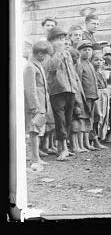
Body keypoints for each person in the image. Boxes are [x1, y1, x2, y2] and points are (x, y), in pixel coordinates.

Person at [45, 27, 77, 161]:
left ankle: (63, 147)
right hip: (57, 90)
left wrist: (75, 86)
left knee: (68, 119)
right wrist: (58, 52)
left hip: (70, 89)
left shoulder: (67, 53)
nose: (62, 41)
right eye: (59, 39)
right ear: (52, 41)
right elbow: (51, 67)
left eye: (63, 38)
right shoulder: (49, 53)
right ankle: (62, 148)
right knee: (60, 120)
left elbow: (72, 71)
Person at [24, 41, 53, 171]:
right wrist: (34, 106)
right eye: (46, 55)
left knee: (37, 131)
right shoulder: (30, 66)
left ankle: (36, 157)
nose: (47, 58)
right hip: (35, 106)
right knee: (33, 131)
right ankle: (34, 158)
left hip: (42, 103)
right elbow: (30, 89)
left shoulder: (38, 65)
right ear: (40, 53)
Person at [75, 40, 101, 151]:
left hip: (93, 95)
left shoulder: (90, 63)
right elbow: (78, 82)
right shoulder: (80, 64)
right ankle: (83, 143)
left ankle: (89, 142)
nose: (87, 52)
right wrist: (80, 97)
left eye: (89, 50)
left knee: (91, 119)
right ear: (79, 51)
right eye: (84, 50)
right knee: (84, 119)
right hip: (85, 97)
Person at [90, 51, 110, 147]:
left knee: (102, 117)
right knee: (95, 117)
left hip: (103, 96)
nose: (99, 62)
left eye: (101, 60)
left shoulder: (102, 73)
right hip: (96, 96)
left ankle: (98, 138)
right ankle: (92, 140)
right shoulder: (91, 72)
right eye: (96, 60)